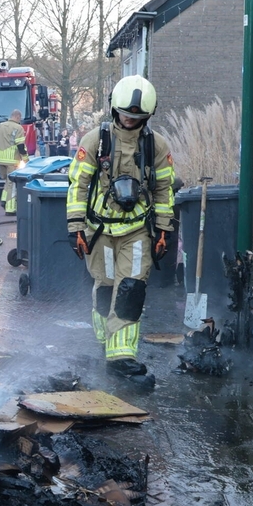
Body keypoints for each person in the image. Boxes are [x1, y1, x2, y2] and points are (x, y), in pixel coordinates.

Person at [66, 75, 175, 380]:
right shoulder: (95, 141)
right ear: (114, 108)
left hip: (136, 229)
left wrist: (163, 230)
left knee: (131, 288)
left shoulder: (156, 145)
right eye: (125, 113)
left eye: (137, 116)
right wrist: (76, 227)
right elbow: (78, 185)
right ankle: (106, 339)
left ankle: (121, 355)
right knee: (106, 285)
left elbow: (164, 189)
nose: (130, 119)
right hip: (100, 230)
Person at [0, 109, 28, 215]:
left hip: (0, 160)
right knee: (12, 184)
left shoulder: (0, 126)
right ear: (18, 117)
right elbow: (21, 147)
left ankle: (4, 199)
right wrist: (26, 160)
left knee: (7, 181)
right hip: (12, 161)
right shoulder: (18, 128)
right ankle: (10, 209)